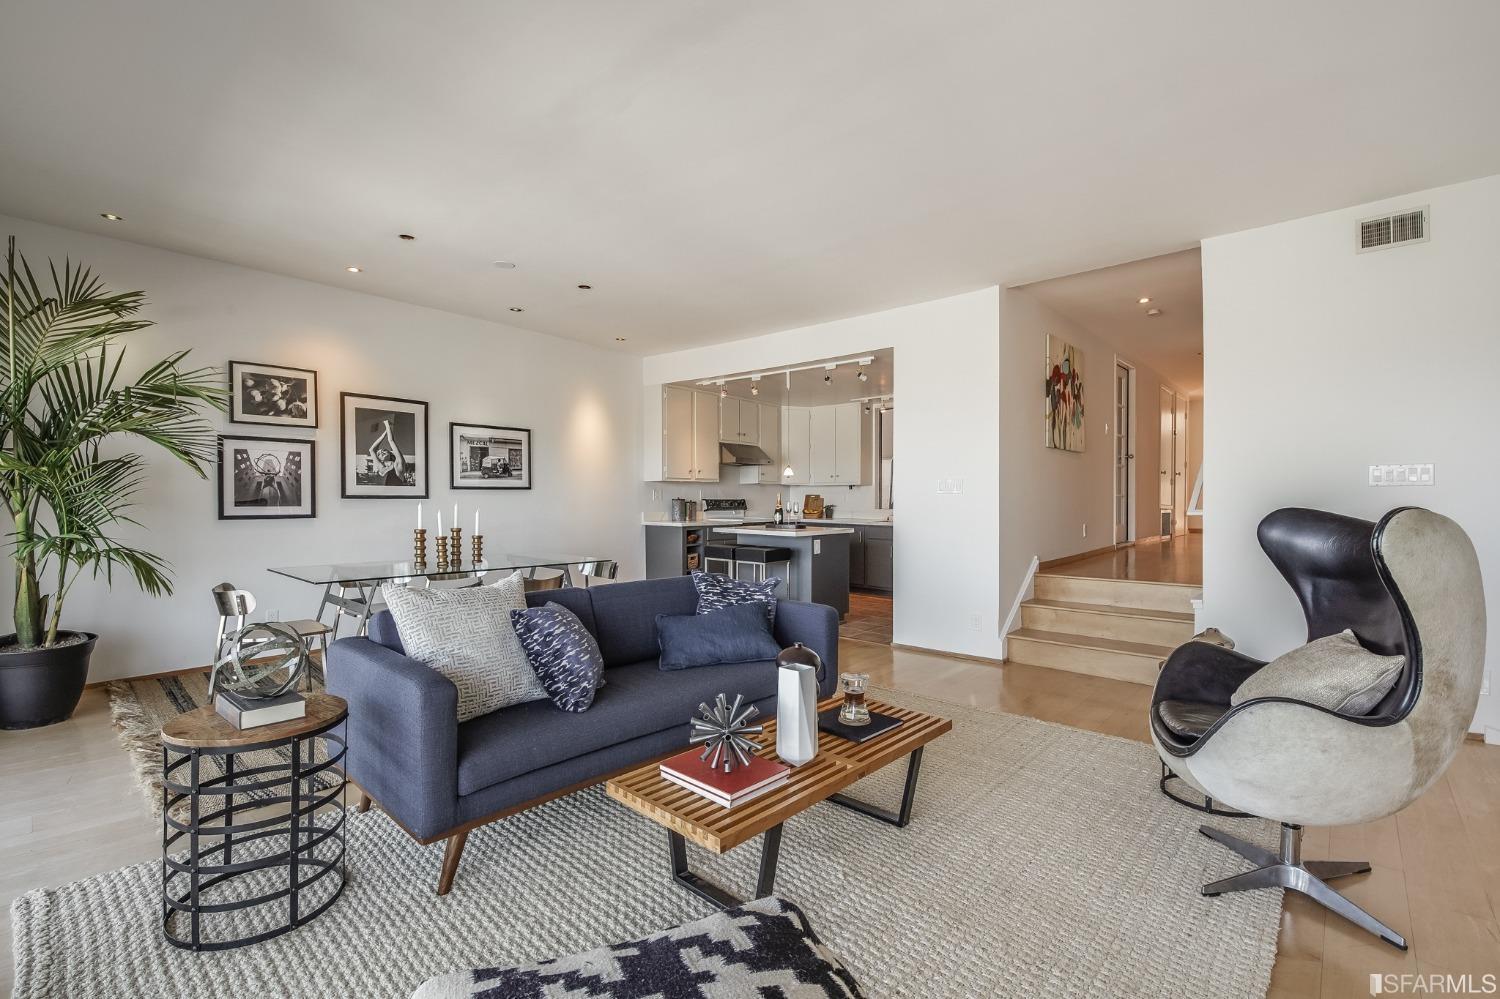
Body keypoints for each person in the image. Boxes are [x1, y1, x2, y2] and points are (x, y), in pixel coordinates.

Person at [366, 419, 407, 486]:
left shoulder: (398, 464)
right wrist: (385, 432)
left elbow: (391, 441)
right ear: (380, 459)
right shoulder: (381, 467)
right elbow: (371, 450)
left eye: (384, 450)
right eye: (379, 454)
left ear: (390, 453)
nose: (382, 451)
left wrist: (387, 424)